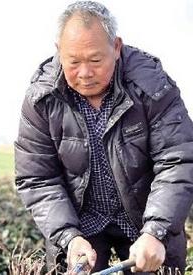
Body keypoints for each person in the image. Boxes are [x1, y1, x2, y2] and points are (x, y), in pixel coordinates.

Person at [14, 1, 193, 274]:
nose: (84, 73)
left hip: (144, 220)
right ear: (59, 51)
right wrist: (68, 237)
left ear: (116, 47)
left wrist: (157, 231)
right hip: (80, 224)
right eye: (73, 62)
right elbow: (37, 178)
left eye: (95, 60)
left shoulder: (152, 87)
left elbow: (177, 161)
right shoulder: (42, 98)